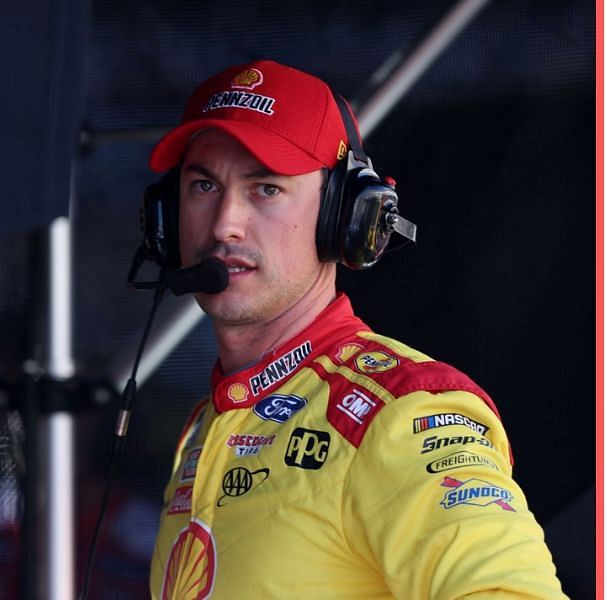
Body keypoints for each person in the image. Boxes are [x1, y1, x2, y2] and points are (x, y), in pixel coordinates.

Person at [142, 59, 566, 599]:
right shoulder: (209, 422)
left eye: (265, 189)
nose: (225, 222)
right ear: (164, 217)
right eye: (203, 184)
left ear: (345, 216)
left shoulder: (403, 413)